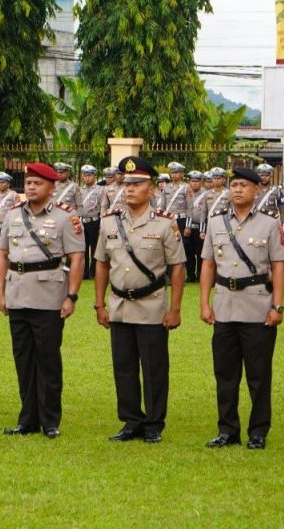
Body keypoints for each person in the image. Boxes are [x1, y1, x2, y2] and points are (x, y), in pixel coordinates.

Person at [94, 156, 186, 444]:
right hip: (119, 305)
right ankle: (131, 421)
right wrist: (99, 304)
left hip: (152, 306)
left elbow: (178, 267)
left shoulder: (164, 225)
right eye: (126, 183)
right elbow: (101, 263)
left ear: (152, 189)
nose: (130, 188)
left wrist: (175, 309)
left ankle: (153, 424)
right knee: (123, 366)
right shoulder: (109, 223)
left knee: (154, 367)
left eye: (137, 183)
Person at [0, 163, 85, 439]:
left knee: (47, 359)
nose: (31, 187)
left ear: (51, 187)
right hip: (18, 293)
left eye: (37, 183)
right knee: (23, 359)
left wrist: (71, 296)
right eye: (29, 182)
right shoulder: (12, 216)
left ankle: (49, 420)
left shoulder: (64, 217)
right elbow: (2, 254)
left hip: (48, 295)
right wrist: (0, 291)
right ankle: (28, 418)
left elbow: (77, 257)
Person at [200, 167, 284, 450]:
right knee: (225, 374)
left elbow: (278, 266)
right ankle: (227, 430)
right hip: (225, 305)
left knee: (258, 375)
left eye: (243, 185)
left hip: (257, 306)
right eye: (233, 185)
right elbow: (208, 264)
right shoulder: (216, 223)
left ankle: (258, 431)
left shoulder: (269, 223)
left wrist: (278, 305)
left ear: (256, 190)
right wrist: (204, 301)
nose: (237, 189)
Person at [78, 165, 102, 279]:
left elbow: (102, 207)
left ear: (94, 176)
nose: (87, 178)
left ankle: (93, 272)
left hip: (94, 222)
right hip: (82, 222)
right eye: (85, 175)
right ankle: (84, 272)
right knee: (83, 248)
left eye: (90, 175)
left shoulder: (99, 190)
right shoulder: (80, 190)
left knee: (94, 248)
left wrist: (101, 224)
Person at [183, 170, 204, 282]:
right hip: (187, 227)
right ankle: (190, 276)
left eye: (197, 181)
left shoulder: (205, 194)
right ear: (189, 182)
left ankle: (201, 276)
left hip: (200, 227)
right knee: (188, 253)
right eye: (192, 181)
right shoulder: (185, 192)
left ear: (201, 182)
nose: (195, 183)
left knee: (200, 253)